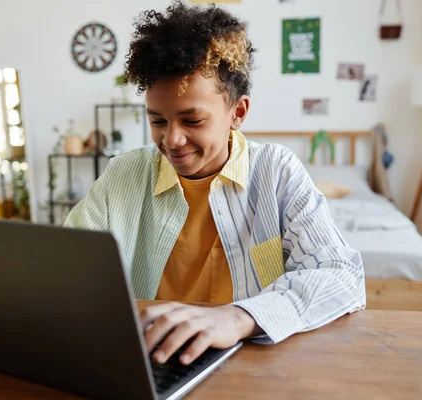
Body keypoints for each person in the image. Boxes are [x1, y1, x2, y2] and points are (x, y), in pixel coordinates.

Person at [65, 1, 365, 366]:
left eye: (191, 121)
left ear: (237, 113)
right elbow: (65, 268)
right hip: (152, 360)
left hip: (253, 361)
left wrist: (239, 316)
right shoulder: (124, 175)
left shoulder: (276, 172)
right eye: (158, 121)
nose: (172, 139)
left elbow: (340, 276)